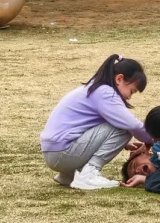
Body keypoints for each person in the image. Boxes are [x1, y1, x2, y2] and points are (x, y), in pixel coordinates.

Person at [40, 54, 149, 190]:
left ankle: (69, 175)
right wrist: (155, 139)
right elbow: (132, 125)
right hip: (62, 152)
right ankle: (88, 175)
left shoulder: (95, 89)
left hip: (53, 151)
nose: (129, 97)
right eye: (131, 91)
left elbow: (87, 125)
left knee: (122, 128)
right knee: (125, 129)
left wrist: (123, 143)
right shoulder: (105, 93)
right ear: (119, 79)